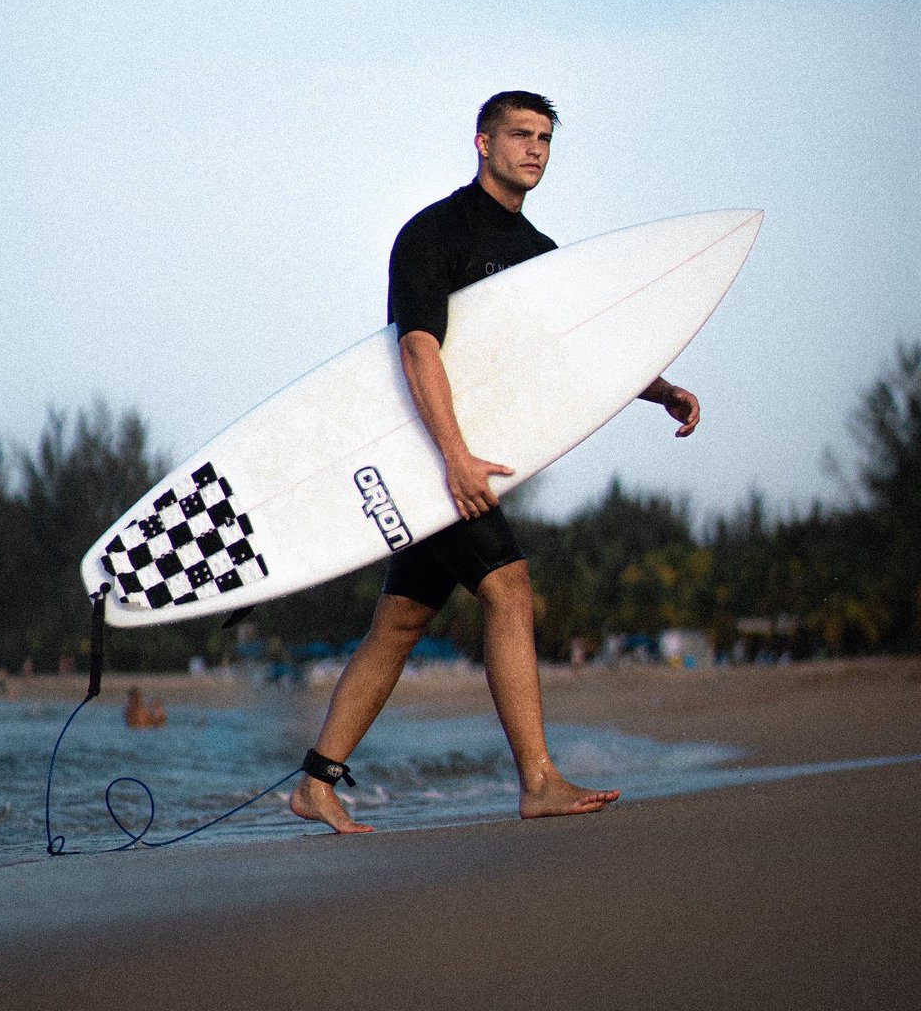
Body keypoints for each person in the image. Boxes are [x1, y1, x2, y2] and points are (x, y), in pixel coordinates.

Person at [291, 91, 700, 833]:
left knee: (402, 622)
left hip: (456, 459)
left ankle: (316, 783)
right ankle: (538, 779)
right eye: (519, 134)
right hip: (423, 450)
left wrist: (662, 389)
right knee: (509, 586)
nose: (534, 149)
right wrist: (453, 457)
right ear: (481, 142)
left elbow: (576, 354)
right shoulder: (433, 233)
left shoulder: (539, 257)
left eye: (544, 137)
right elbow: (417, 346)